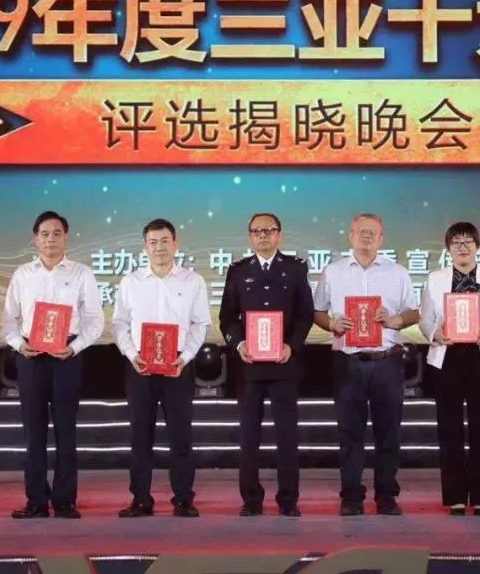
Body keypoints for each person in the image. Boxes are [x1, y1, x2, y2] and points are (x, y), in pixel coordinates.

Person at [313, 213, 418, 516]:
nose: (367, 237)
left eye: (373, 232)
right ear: (351, 235)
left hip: (387, 361)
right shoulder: (333, 272)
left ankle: (386, 496)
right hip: (348, 362)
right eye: (361, 231)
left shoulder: (398, 272)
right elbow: (317, 311)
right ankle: (351, 497)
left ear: (382, 238)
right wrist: (331, 324)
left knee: (389, 433)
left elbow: (413, 312)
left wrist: (395, 319)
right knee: (350, 433)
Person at [3, 211, 104, 519]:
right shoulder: (23, 274)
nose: (51, 239)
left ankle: (64, 500)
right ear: (36, 239)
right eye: (45, 234)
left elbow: (95, 320)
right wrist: (19, 345)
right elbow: (8, 320)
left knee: (65, 431)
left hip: (66, 357)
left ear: (66, 237)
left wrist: (74, 348)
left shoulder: (82, 273)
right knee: (33, 433)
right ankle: (35, 501)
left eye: (57, 233)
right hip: (31, 357)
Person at [112, 218, 209, 518]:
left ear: (175, 243)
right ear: (145, 247)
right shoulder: (130, 282)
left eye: (165, 241)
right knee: (140, 437)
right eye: (153, 242)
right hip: (140, 365)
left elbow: (200, 324)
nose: (159, 247)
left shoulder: (193, 281)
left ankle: (183, 499)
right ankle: (141, 499)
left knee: (181, 436)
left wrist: (186, 356)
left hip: (178, 365)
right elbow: (119, 324)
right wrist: (132, 354)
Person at [219, 213, 314, 517]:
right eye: (256, 231)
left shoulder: (295, 268)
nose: (262, 235)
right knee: (249, 436)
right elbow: (227, 318)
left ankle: (288, 500)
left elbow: (305, 314)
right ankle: (251, 500)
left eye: (268, 230)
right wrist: (239, 344)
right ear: (250, 237)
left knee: (287, 436)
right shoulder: (238, 271)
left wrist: (291, 346)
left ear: (279, 235)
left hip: (285, 363)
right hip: (249, 367)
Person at [419, 222, 480, 516]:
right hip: (448, 357)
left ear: (478, 247)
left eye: (468, 241)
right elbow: (425, 319)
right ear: (448, 249)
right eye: (456, 242)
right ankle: (456, 496)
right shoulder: (435, 279)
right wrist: (435, 333)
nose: (462, 247)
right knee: (449, 429)